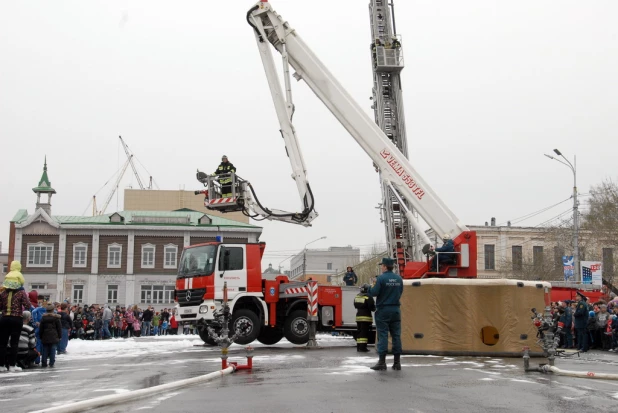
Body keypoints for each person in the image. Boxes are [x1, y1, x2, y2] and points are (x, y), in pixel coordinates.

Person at [364, 257, 403, 371]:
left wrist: (368, 288)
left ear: (385, 266)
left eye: (382, 266)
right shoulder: (398, 278)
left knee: (383, 335)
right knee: (396, 335)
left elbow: (374, 292)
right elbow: (400, 292)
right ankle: (397, 363)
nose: (381, 267)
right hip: (396, 310)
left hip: (383, 310)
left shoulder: (381, 278)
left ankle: (382, 362)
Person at [0, 262, 31, 372]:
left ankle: (2, 365)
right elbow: (28, 305)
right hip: (16, 319)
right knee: (14, 343)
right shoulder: (21, 293)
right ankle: (12, 366)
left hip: (4, 319)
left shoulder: (3, 293)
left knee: (2, 343)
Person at [354, 284, 375, 352]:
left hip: (358, 317)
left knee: (359, 332)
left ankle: (359, 347)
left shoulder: (357, 296)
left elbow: (355, 305)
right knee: (364, 333)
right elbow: (372, 307)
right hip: (366, 317)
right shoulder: (368, 297)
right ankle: (363, 348)